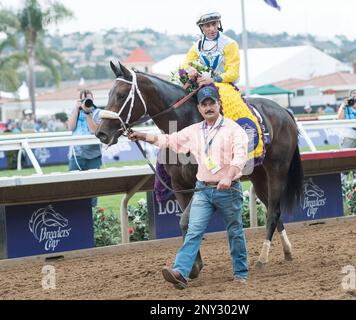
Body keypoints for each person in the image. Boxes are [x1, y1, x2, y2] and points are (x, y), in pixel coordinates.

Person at [127, 86, 249, 289]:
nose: (208, 107)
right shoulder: (194, 131)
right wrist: (141, 135)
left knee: (235, 232)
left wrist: (228, 177)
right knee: (192, 230)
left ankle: (240, 272)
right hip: (203, 190)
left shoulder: (234, 130)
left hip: (228, 189)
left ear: (219, 104)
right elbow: (169, 140)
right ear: (199, 108)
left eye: (212, 103)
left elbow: (240, 157)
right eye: (204, 104)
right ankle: (180, 272)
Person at [180, 11, 264, 161]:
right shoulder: (197, 46)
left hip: (223, 85)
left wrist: (212, 79)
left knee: (230, 106)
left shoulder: (230, 44)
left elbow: (233, 72)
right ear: (202, 28)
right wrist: (190, 70)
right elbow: (187, 63)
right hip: (199, 84)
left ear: (218, 24)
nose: (212, 28)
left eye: (214, 24)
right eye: (207, 26)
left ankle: (239, 146)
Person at [68, 89, 102, 207]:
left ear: (93, 100)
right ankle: (75, 211)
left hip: (93, 155)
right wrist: (77, 109)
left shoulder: (98, 112)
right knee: (73, 185)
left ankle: (93, 212)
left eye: (89, 99)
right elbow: (70, 127)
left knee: (93, 186)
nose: (87, 102)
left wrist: (88, 114)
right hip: (76, 154)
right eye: (84, 100)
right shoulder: (75, 112)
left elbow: (95, 130)